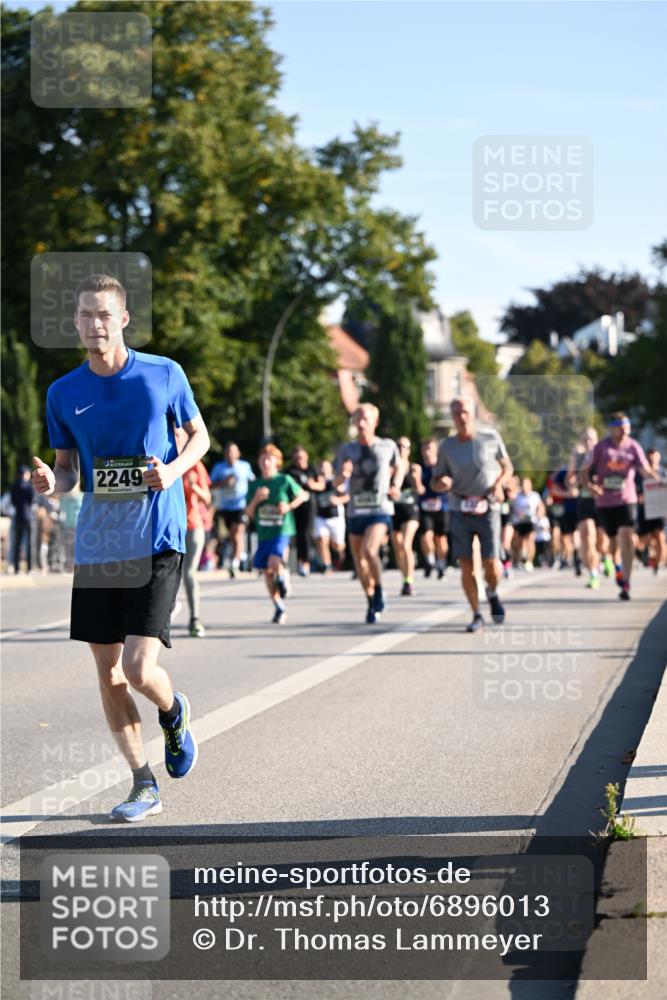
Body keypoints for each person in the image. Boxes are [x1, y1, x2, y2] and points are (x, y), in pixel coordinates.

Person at [32, 273, 209, 823]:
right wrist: (50, 485)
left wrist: (173, 470)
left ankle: (173, 709)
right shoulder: (63, 393)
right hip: (99, 546)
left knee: (137, 667)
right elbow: (69, 473)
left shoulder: (163, 374)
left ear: (123, 319)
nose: (94, 324)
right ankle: (142, 783)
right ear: (76, 322)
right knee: (108, 675)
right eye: (85, 315)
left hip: (158, 538)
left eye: (104, 314)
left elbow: (199, 437)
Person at [431, 397, 513, 632]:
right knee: (466, 565)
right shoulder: (446, 446)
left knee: (491, 564)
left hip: (488, 507)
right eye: (456, 413)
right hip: (460, 508)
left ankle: (493, 592)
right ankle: (477, 613)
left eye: (465, 412)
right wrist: (442, 483)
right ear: (453, 417)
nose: (461, 417)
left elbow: (507, 467)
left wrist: (499, 484)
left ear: (473, 413)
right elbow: (436, 481)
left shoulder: (490, 437)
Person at [335, 404, 402, 624]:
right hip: (356, 510)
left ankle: (380, 588)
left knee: (369, 550)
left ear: (375, 422)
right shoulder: (347, 450)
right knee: (359, 561)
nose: (361, 423)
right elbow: (336, 482)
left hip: (379, 508)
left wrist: (396, 485)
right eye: (358, 419)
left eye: (365, 419)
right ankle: (371, 600)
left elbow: (400, 467)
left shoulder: (387, 446)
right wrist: (342, 476)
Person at [587, 412, 659, 600]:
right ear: (612, 428)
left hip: (627, 499)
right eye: (621, 429)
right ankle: (616, 565)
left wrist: (660, 483)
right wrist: (591, 486)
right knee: (611, 543)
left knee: (627, 537)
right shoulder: (601, 448)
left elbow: (645, 470)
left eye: (627, 429)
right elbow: (584, 473)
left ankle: (626, 583)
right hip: (605, 502)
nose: (624, 433)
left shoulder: (633, 447)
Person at [245, 444, 307, 624]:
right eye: (263, 459)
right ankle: (279, 605)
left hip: (283, 530)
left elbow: (303, 495)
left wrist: (288, 506)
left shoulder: (284, 480)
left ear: (277, 463)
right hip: (264, 533)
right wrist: (256, 500)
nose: (265, 462)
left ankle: (283, 573)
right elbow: (248, 513)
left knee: (274, 562)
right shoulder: (255, 485)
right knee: (266, 572)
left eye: (269, 459)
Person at [568, 427, 608, 589]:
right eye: (585, 439)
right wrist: (575, 481)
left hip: (603, 503)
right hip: (585, 502)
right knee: (587, 536)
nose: (588, 442)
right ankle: (593, 574)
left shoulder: (604, 454)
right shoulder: (578, 457)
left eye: (591, 438)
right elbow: (569, 479)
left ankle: (605, 558)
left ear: (597, 439)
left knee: (603, 543)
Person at [210, 442, 255, 577]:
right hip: (225, 507)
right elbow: (211, 485)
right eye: (228, 452)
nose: (231, 454)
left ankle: (234, 563)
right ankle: (240, 556)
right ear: (225, 454)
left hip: (241, 506)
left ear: (238, 453)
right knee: (232, 536)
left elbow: (253, 481)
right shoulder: (219, 467)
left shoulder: (245, 466)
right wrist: (224, 483)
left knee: (238, 533)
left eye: (233, 451)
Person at [182, 457, 211, 637]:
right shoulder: (160, 458)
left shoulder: (194, 464)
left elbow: (207, 497)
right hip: (168, 526)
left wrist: (194, 487)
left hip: (192, 526)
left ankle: (195, 618)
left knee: (189, 572)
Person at [391, 437, 422, 595]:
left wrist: (416, 479)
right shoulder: (390, 468)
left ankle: (409, 580)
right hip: (395, 511)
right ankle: (405, 579)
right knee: (398, 548)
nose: (401, 448)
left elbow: (421, 490)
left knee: (405, 544)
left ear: (409, 450)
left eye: (405, 446)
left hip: (411, 510)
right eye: (398, 446)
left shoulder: (414, 468)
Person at [285, 446, 320, 577]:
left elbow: (321, 484)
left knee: (305, 533)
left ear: (306, 457)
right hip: (294, 506)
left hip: (309, 505)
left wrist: (312, 485)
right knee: (296, 534)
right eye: (297, 458)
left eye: (302, 457)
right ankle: (297, 562)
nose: (299, 460)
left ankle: (305, 563)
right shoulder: (290, 471)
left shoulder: (311, 470)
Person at [418, 437, 449, 579]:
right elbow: (418, 488)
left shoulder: (443, 467)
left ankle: (441, 563)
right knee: (426, 536)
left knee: (440, 539)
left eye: (430, 448)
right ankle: (430, 561)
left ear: (436, 450)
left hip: (442, 507)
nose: (427, 451)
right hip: (425, 507)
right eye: (424, 448)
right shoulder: (420, 469)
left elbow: (450, 485)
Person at [313, 458, 348, 573]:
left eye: (325, 466)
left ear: (330, 469)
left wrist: (339, 500)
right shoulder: (315, 482)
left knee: (338, 546)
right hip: (321, 516)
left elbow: (348, 496)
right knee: (322, 541)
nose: (323, 469)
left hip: (336, 516)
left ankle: (340, 557)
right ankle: (327, 565)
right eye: (321, 466)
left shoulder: (336, 482)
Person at [636, 448, 666, 574]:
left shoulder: (663, 472)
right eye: (650, 457)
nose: (652, 459)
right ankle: (641, 552)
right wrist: (639, 497)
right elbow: (634, 489)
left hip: (659, 510)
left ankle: (658, 564)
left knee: (659, 537)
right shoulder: (640, 473)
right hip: (644, 510)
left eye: (654, 457)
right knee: (645, 538)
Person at [510, 477, 544, 572]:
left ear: (530, 486)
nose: (524, 487)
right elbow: (512, 507)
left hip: (531, 521)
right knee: (520, 542)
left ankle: (529, 561)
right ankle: (520, 559)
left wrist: (539, 515)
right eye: (523, 485)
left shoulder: (535, 495)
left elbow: (540, 507)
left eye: (526, 485)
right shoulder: (517, 496)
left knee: (530, 540)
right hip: (520, 522)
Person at [10, 465, 35, 574]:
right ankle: (29, 568)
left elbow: (13, 502)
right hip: (29, 517)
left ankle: (16, 568)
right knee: (29, 544)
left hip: (18, 517)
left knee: (17, 544)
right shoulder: (30, 487)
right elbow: (32, 500)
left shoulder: (14, 486)